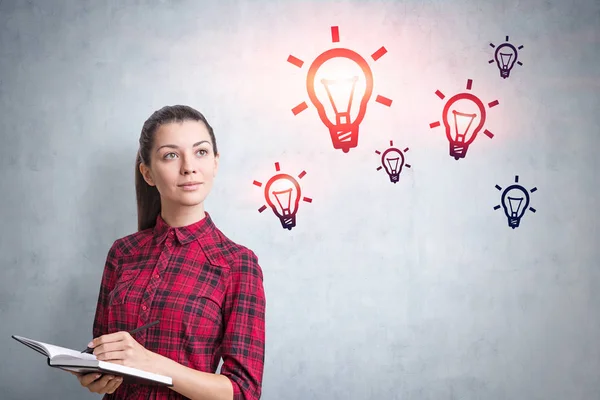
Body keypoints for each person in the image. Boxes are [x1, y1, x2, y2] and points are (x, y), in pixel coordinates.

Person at [71, 105, 266, 399]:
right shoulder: (122, 252)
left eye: (200, 152)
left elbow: (243, 391)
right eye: (171, 155)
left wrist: (153, 364)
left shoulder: (237, 264)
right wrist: (95, 375)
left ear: (215, 162)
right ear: (147, 173)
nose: (188, 166)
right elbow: (101, 353)